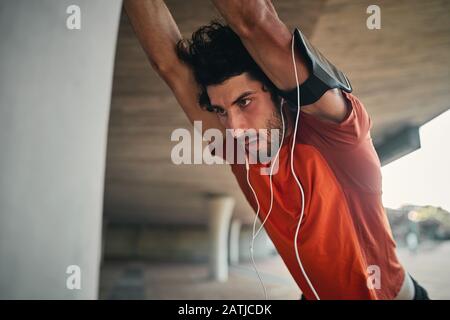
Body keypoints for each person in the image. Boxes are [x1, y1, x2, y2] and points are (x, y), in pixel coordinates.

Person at [124, 0, 429, 300]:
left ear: (278, 92)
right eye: (220, 111)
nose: (234, 127)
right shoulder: (239, 149)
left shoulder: (338, 137)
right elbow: (169, 65)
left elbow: (253, 21)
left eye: (245, 101)